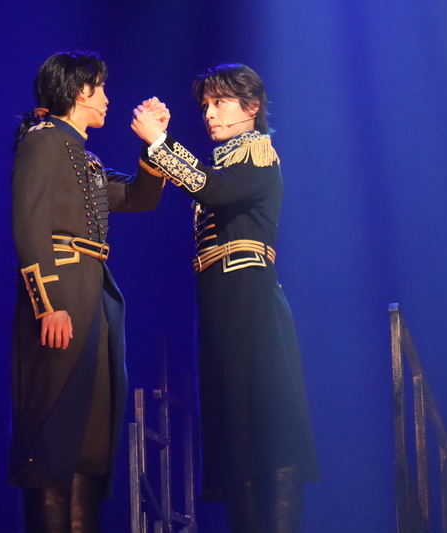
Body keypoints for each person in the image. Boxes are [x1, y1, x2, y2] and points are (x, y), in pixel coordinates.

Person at [131, 64, 320, 533]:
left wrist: (160, 142)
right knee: (235, 436)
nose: (210, 114)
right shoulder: (228, 162)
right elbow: (207, 182)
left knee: (270, 426)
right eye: (205, 106)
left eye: (220, 103)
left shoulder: (258, 154)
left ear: (251, 107)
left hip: (251, 301)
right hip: (220, 302)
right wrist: (159, 142)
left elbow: (211, 189)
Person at [10, 51, 167, 533]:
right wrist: (49, 305)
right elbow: (29, 223)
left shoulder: (84, 157)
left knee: (89, 443)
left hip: (92, 295)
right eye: (100, 88)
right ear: (80, 90)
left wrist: (155, 146)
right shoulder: (44, 141)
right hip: (62, 295)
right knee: (53, 435)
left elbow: (138, 197)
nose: (106, 99)